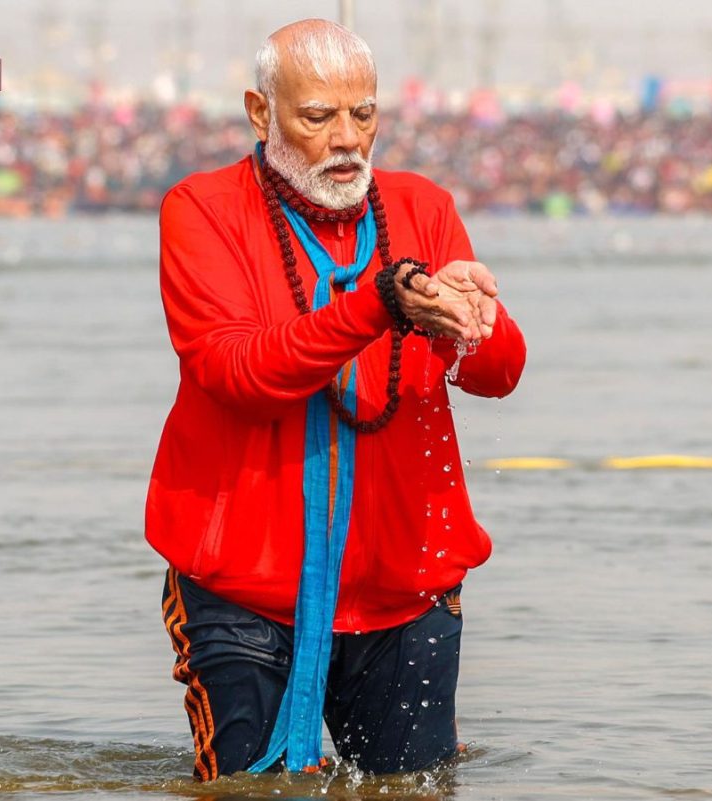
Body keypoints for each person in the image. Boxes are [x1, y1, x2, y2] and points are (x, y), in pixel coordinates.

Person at [146, 18, 526, 781]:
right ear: (262, 113)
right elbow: (238, 374)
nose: (346, 138)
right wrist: (383, 304)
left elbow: (500, 372)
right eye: (317, 117)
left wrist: (473, 325)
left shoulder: (422, 206)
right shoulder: (201, 209)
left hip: (405, 585)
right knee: (247, 792)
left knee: (411, 792)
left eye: (364, 114)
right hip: (242, 587)